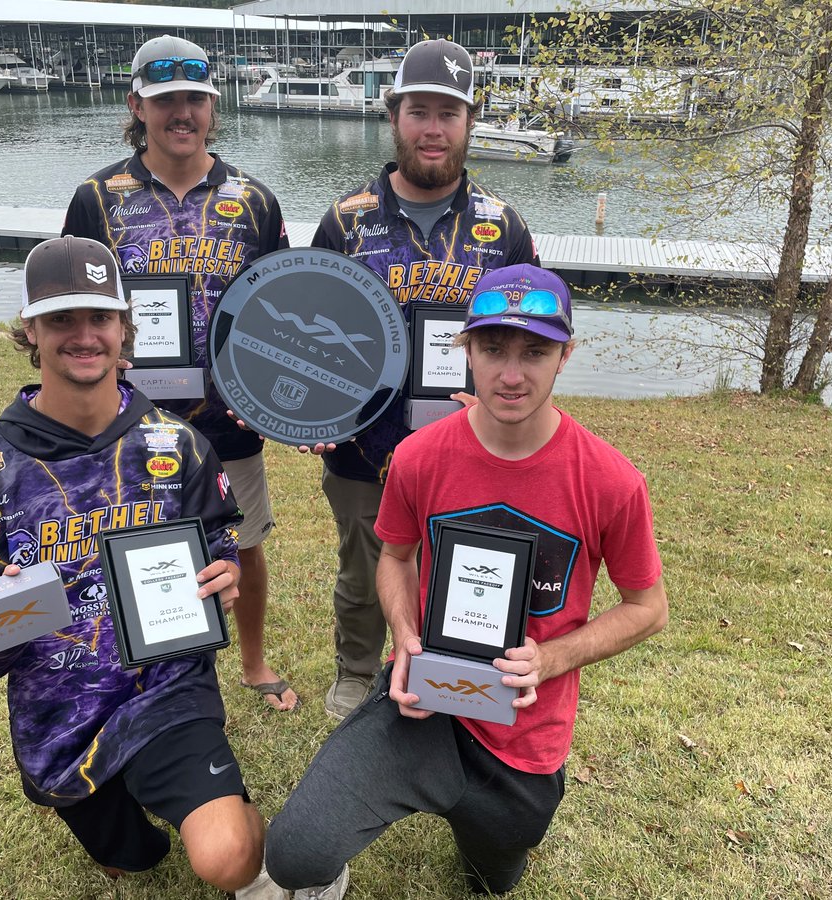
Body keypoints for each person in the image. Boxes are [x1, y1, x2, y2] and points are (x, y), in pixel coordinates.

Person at [265, 264, 669, 897]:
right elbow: (395, 558)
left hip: (524, 740)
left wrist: (551, 658)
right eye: (493, 349)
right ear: (467, 352)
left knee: (490, 881)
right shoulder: (422, 455)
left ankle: (489, 837)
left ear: (564, 355)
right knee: (294, 856)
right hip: (423, 705)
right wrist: (403, 636)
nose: (512, 374)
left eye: (535, 351)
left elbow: (647, 607)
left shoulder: (610, 481)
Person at [0, 236, 269, 894]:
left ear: (124, 327)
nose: (84, 336)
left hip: (168, 691)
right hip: (60, 718)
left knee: (229, 858)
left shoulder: (178, 445)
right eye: (61, 320)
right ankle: (115, 821)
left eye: (100, 318)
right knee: (131, 863)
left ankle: (233, 818)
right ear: (30, 330)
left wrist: (225, 572)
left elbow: (218, 539)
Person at [62, 34, 298, 711]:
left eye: (196, 99)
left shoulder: (255, 199)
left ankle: (252, 664)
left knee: (245, 541)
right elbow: (79, 311)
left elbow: (278, 305)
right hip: (128, 412)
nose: (182, 113)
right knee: (134, 542)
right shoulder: (95, 198)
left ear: (213, 108)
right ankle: (148, 672)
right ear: (138, 105)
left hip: (233, 413)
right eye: (166, 100)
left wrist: (277, 395)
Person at [311, 38, 541, 719]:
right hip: (362, 447)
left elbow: (530, 341)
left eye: (449, 112)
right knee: (361, 570)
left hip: (470, 445)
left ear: (470, 121)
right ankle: (356, 670)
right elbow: (312, 325)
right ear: (394, 117)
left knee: (461, 566)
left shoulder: (503, 229)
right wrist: (315, 412)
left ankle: (451, 672)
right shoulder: (345, 221)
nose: (433, 128)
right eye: (419, 111)